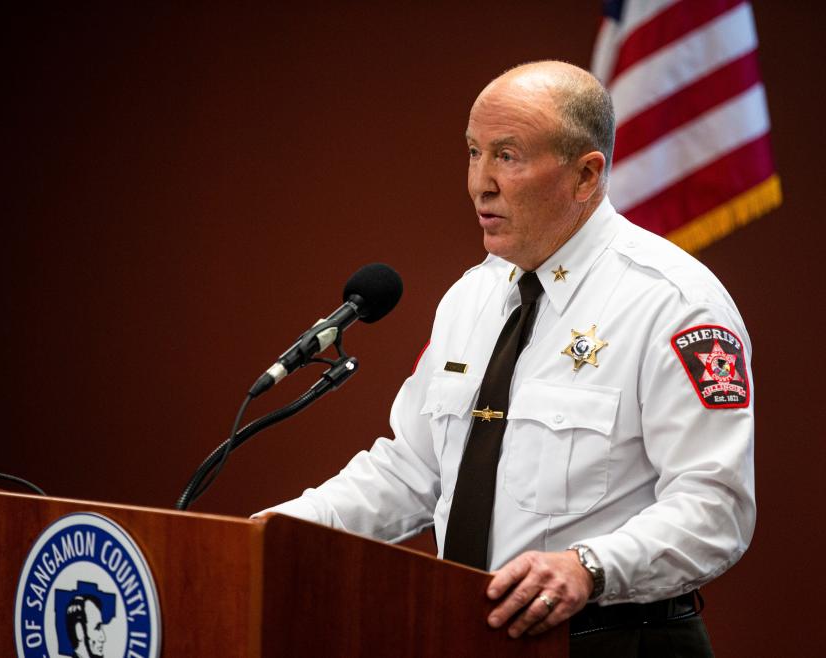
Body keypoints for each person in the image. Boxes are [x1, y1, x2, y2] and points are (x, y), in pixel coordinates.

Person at [263, 60, 754, 656]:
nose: (479, 183)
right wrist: (275, 536)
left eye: (508, 156)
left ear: (586, 175)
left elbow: (714, 508)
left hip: (616, 640)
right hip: (470, 638)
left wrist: (589, 566)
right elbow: (411, 472)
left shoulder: (674, 305)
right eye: (474, 152)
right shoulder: (472, 297)